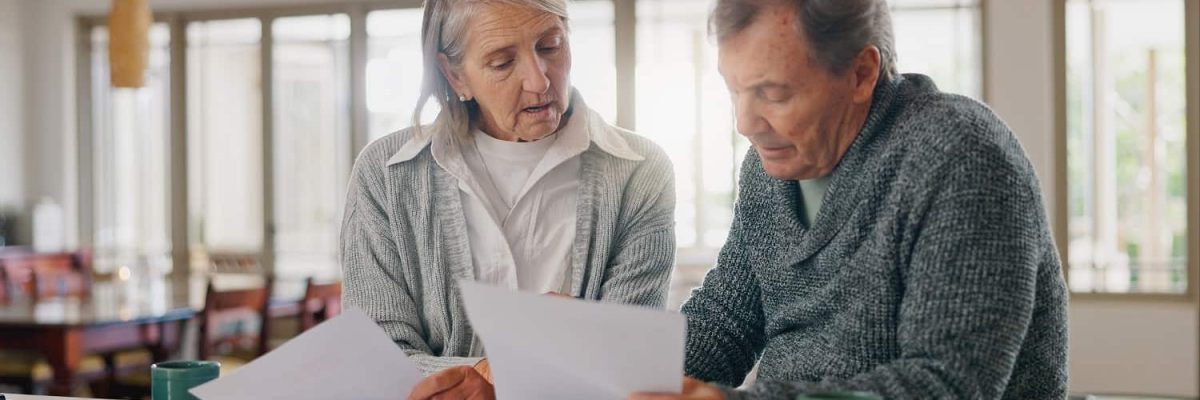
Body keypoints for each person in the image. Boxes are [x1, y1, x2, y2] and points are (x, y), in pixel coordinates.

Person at [632, 0, 1068, 399]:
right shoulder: (768, 169)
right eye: (735, 92)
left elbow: (946, 384)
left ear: (861, 74)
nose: (745, 123)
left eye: (775, 93)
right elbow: (726, 323)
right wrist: (608, 365)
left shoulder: (959, 153)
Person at [339, 0, 677, 398]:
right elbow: (378, 355)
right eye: (502, 63)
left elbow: (624, 359)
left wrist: (498, 380)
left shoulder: (640, 171)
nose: (539, 80)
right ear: (454, 75)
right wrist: (515, 370)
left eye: (550, 47)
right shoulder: (385, 174)